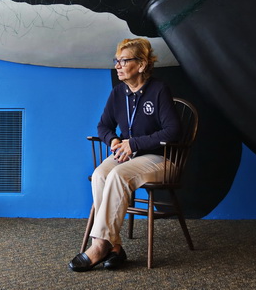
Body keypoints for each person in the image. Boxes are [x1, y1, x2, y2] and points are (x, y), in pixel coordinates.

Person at [69, 38, 180, 272]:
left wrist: (134, 143)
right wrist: (115, 140)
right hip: (129, 156)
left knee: (118, 175)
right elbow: (103, 126)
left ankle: (99, 245)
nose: (118, 66)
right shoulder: (118, 92)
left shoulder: (159, 90)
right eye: (116, 61)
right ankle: (115, 247)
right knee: (100, 174)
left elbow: (173, 131)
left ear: (141, 64)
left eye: (124, 60)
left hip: (160, 158)